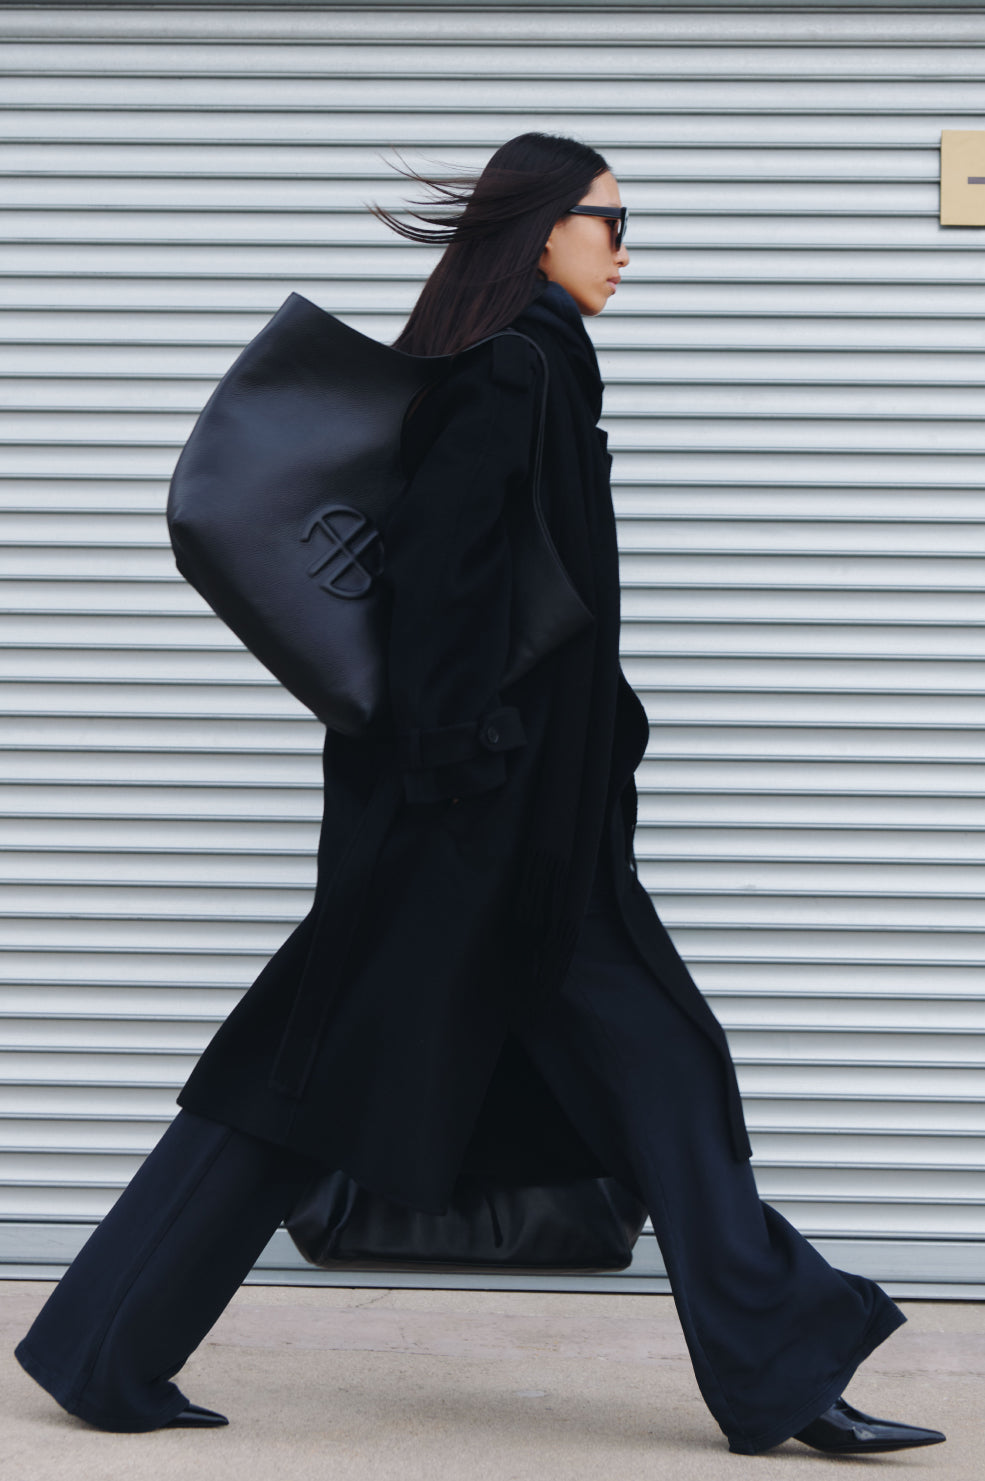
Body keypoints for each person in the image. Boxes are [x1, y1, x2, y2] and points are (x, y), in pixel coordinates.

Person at [14, 133, 945, 1457]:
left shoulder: (530, 366)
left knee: (342, 1080)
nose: (627, 246)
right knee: (597, 1077)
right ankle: (781, 1376)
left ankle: (101, 1340)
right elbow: (439, 586)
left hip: (524, 835)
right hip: (483, 832)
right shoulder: (510, 369)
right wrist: (468, 767)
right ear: (541, 228)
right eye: (610, 220)